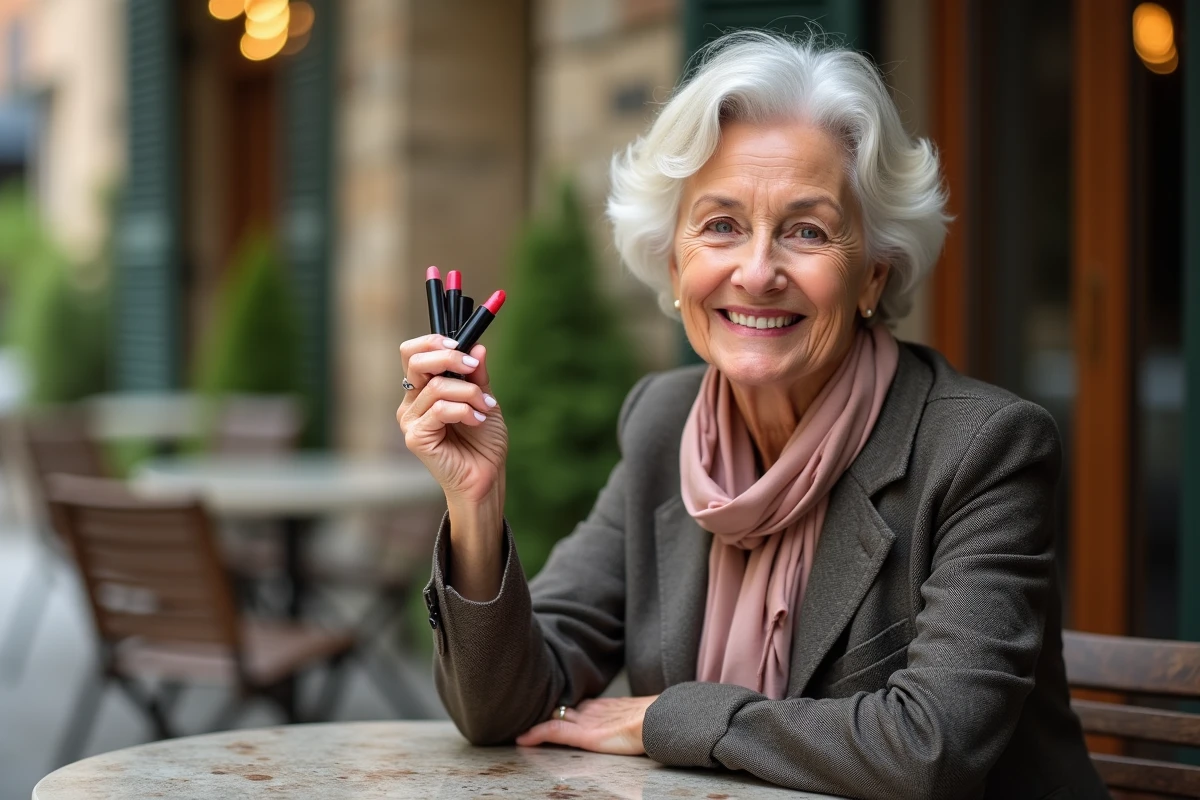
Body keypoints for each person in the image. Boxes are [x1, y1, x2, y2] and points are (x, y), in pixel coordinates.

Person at [396, 31, 1108, 800]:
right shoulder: (664, 423)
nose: (759, 271)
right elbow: (504, 707)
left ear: (873, 276)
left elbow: (929, 747)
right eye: (722, 226)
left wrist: (672, 718)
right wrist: (475, 502)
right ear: (674, 268)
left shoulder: (981, 450)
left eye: (806, 231)